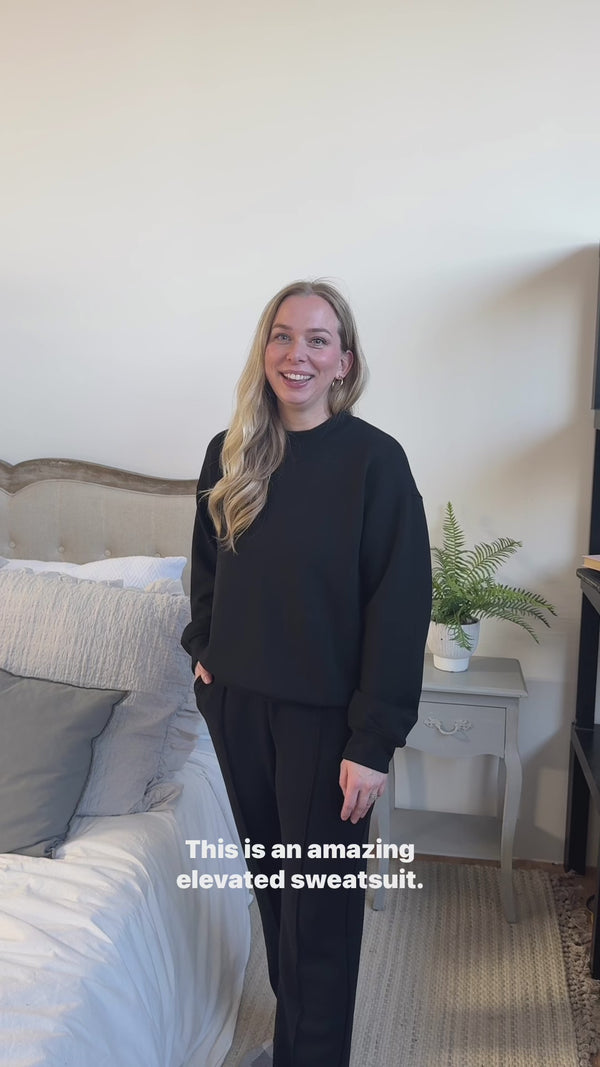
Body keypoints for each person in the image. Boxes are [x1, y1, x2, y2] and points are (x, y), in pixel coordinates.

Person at [181, 279, 431, 1067]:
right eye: (283, 335)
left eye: (318, 339)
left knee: (320, 912)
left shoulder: (375, 463)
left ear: (344, 361)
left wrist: (373, 741)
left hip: (329, 727)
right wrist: (205, 647)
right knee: (278, 898)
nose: (298, 354)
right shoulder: (229, 453)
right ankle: (296, 1044)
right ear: (266, 349)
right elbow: (207, 571)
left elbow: (400, 605)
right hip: (239, 710)